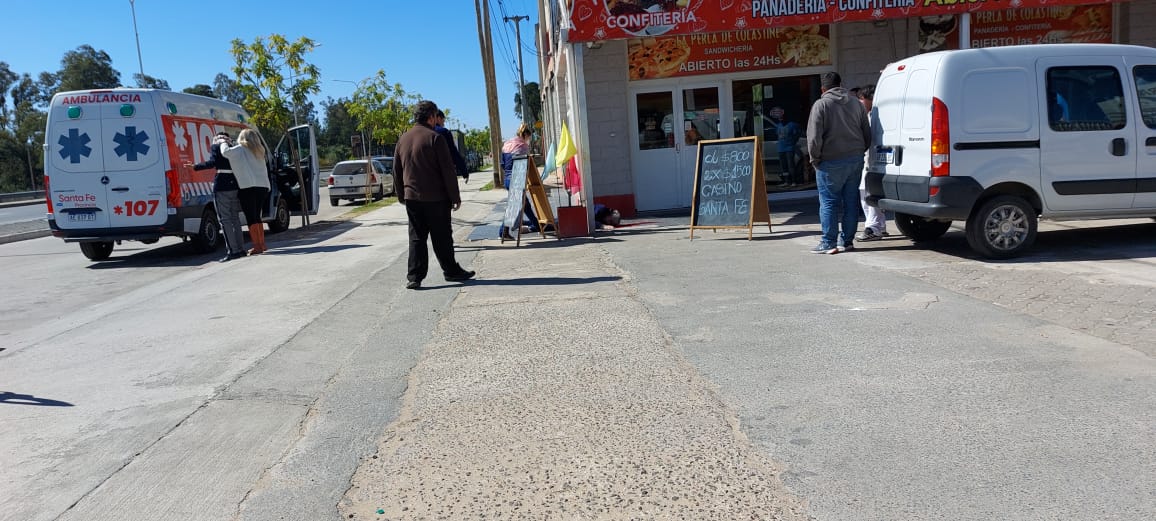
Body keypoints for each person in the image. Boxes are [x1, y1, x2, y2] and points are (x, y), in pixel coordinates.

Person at [393, 100, 475, 290]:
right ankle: (451, 271)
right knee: (442, 237)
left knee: (416, 237)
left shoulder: (403, 139)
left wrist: (401, 195)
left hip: (412, 198)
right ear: (431, 117)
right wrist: (455, 197)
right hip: (436, 198)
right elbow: (447, 170)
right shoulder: (435, 138)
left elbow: (396, 171)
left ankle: (414, 276)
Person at [806, 72, 872, 255]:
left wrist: (814, 159)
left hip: (829, 161)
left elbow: (814, 137)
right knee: (851, 202)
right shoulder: (856, 104)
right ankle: (847, 241)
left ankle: (828, 242)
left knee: (829, 203)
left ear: (823, 89)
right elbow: (867, 132)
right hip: (855, 159)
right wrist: (860, 151)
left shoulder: (821, 105)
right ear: (841, 84)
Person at [192, 132, 245, 262]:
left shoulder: (216, 146)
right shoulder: (233, 147)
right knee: (235, 219)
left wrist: (195, 166)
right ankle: (241, 249)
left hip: (221, 186)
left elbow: (212, 163)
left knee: (225, 220)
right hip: (234, 184)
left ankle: (233, 251)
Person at [221, 129, 271, 255]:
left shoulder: (240, 149)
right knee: (257, 216)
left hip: (248, 187)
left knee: (251, 217)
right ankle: (262, 244)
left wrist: (223, 142)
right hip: (263, 186)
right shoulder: (259, 150)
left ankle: (257, 246)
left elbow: (225, 152)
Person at [854, 85, 888, 242]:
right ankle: (879, 225)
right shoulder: (870, 115)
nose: (859, 102)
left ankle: (873, 228)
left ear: (870, 99)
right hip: (870, 160)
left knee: (868, 195)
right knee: (866, 193)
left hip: (872, 161)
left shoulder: (873, 116)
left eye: (861, 99)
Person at [498, 123, 540, 239]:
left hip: (507, 180)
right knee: (514, 208)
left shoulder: (507, 144)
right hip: (517, 180)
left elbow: (502, 164)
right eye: (528, 137)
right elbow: (525, 166)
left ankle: (537, 226)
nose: (528, 140)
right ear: (525, 135)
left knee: (525, 205)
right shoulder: (523, 147)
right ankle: (502, 232)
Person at [433, 109, 469, 182]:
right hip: (442, 173)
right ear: (438, 118)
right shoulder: (444, 132)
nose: (443, 124)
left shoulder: (419, 134)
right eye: (443, 121)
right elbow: (453, 152)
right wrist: (464, 171)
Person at [771, 107, 801, 187]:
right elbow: (777, 135)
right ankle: (787, 181)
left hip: (789, 148)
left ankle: (794, 181)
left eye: (781, 117)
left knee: (791, 164)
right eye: (779, 118)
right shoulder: (778, 125)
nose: (780, 119)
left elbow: (797, 134)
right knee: (783, 166)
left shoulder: (792, 124)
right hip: (781, 148)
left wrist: (793, 142)